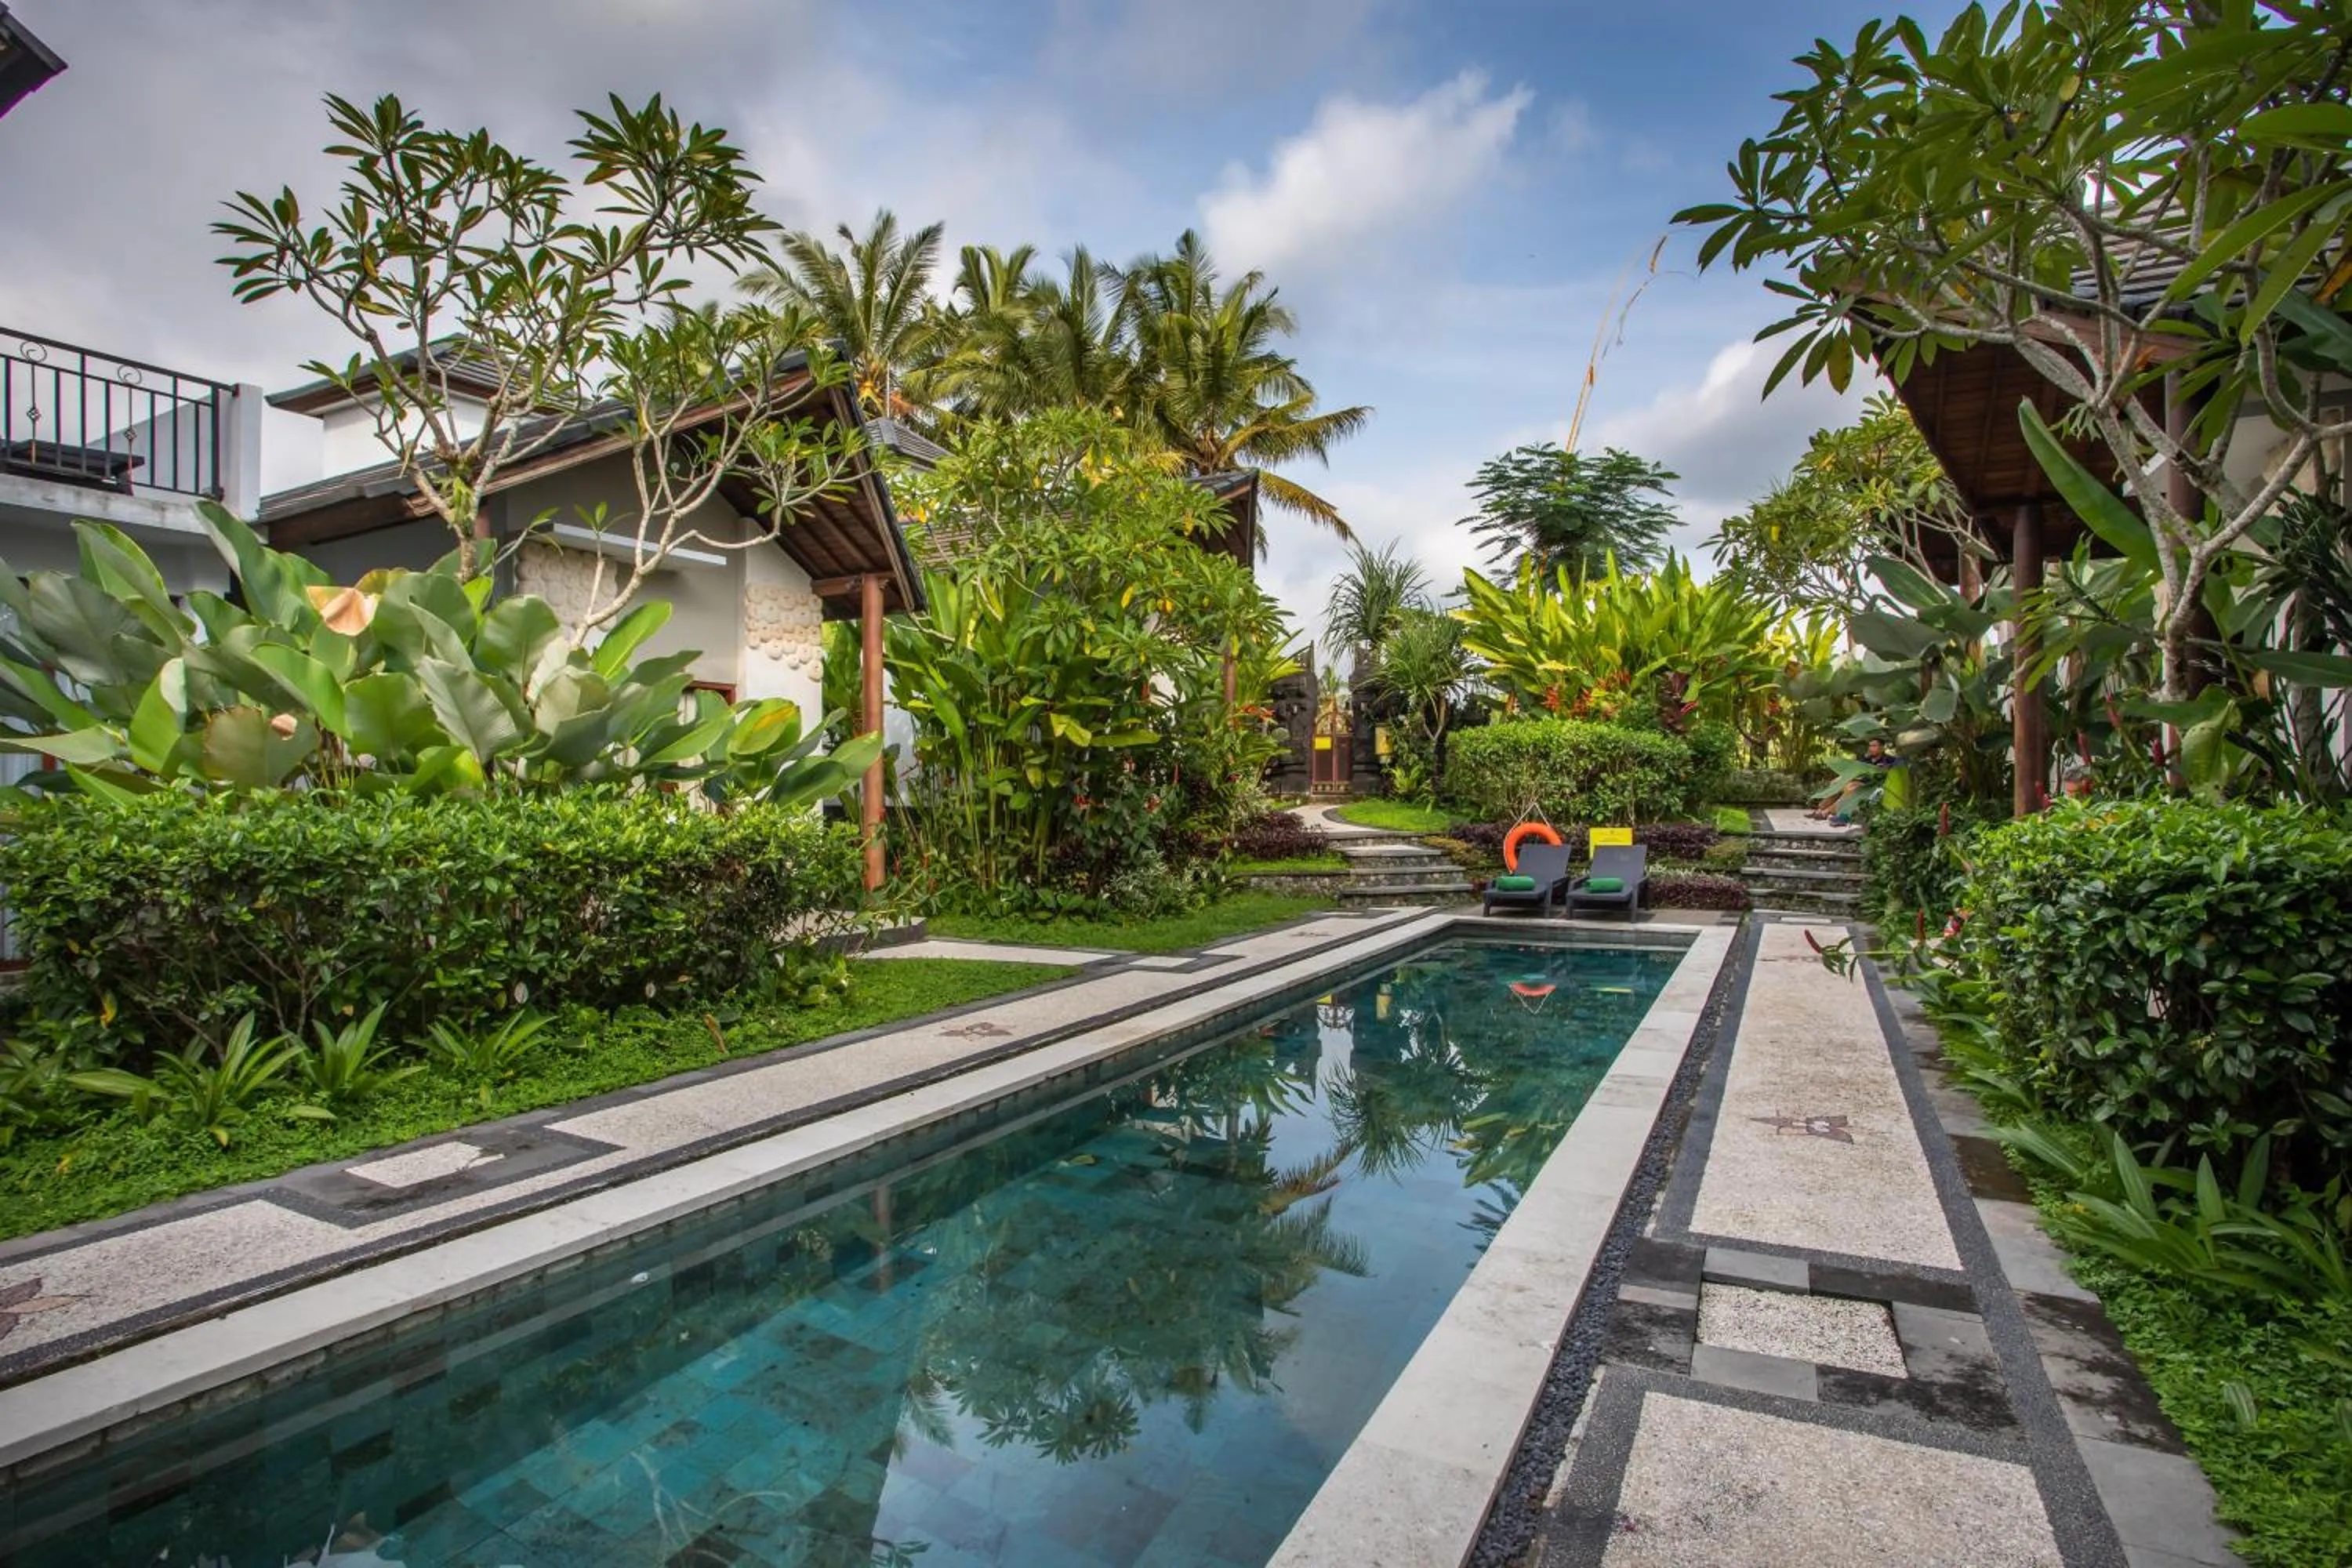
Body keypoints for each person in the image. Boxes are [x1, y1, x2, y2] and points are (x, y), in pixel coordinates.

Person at [1809, 739, 1894, 822]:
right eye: (1870, 746)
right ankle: (1820, 809)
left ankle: (1828, 812)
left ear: (1882, 747)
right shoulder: (1865, 760)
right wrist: (1840, 779)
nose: (1871, 748)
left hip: (1871, 785)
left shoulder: (1889, 760)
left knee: (1850, 788)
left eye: (1874, 746)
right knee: (1837, 784)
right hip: (1858, 781)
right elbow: (1853, 771)